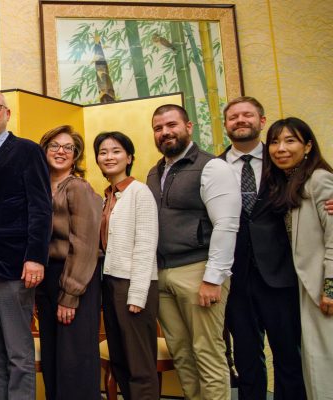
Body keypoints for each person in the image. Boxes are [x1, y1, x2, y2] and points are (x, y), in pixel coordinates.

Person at [145, 104, 241, 400]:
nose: (165, 132)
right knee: (182, 354)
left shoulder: (212, 166)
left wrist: (213, 278)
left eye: (171, 125)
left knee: (207, 352)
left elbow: (226, 224)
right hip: (162, 274)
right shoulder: (154, 172)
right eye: (158, 128)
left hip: (199, 271)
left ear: (189, 127)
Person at [0, 89, 52, 399]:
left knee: (18, 352)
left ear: (7, 113)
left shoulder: (27, 151)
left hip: (16, 266)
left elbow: (41, 208)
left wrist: (35, 257)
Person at [220, 97, 306, 400]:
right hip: (234, 278)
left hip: (280, 274)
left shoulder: (283, 161)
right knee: (246, 357)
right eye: (233, 117)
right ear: (226, 124)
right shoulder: (213, 167)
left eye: (247, 115)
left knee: (288, 354)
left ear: (261, 120)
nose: (240, 120)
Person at [264, 117, 333, 400]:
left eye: (290, 141)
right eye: (274, 142)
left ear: (307, 146)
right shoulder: (284, 182)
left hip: (321, 285)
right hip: (300, 286)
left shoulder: (319, 179)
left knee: (323, 360)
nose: (281, 148)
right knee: (313, 361)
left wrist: (330, 287)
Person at [36, 125, 102, 400]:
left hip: (75, 278)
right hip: (48, 279)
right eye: (54, 146)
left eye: (68, 148)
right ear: (44, 150)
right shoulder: (41, 187)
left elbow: (85, 244)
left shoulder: (77, 187)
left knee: (74, 360)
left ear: (76, 156)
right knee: (53, 356)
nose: (61, 152)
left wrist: (70, 295)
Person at [94, 131, 160, 400]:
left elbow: (146, 246)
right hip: (110, 283)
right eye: (103, 152)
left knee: (139, 364)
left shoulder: (139, 192)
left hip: (133, 285)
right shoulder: (106, 196)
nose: (109, 157)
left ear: (129, 157)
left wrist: (137, 294)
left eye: (116, 151)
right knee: (120, 358)